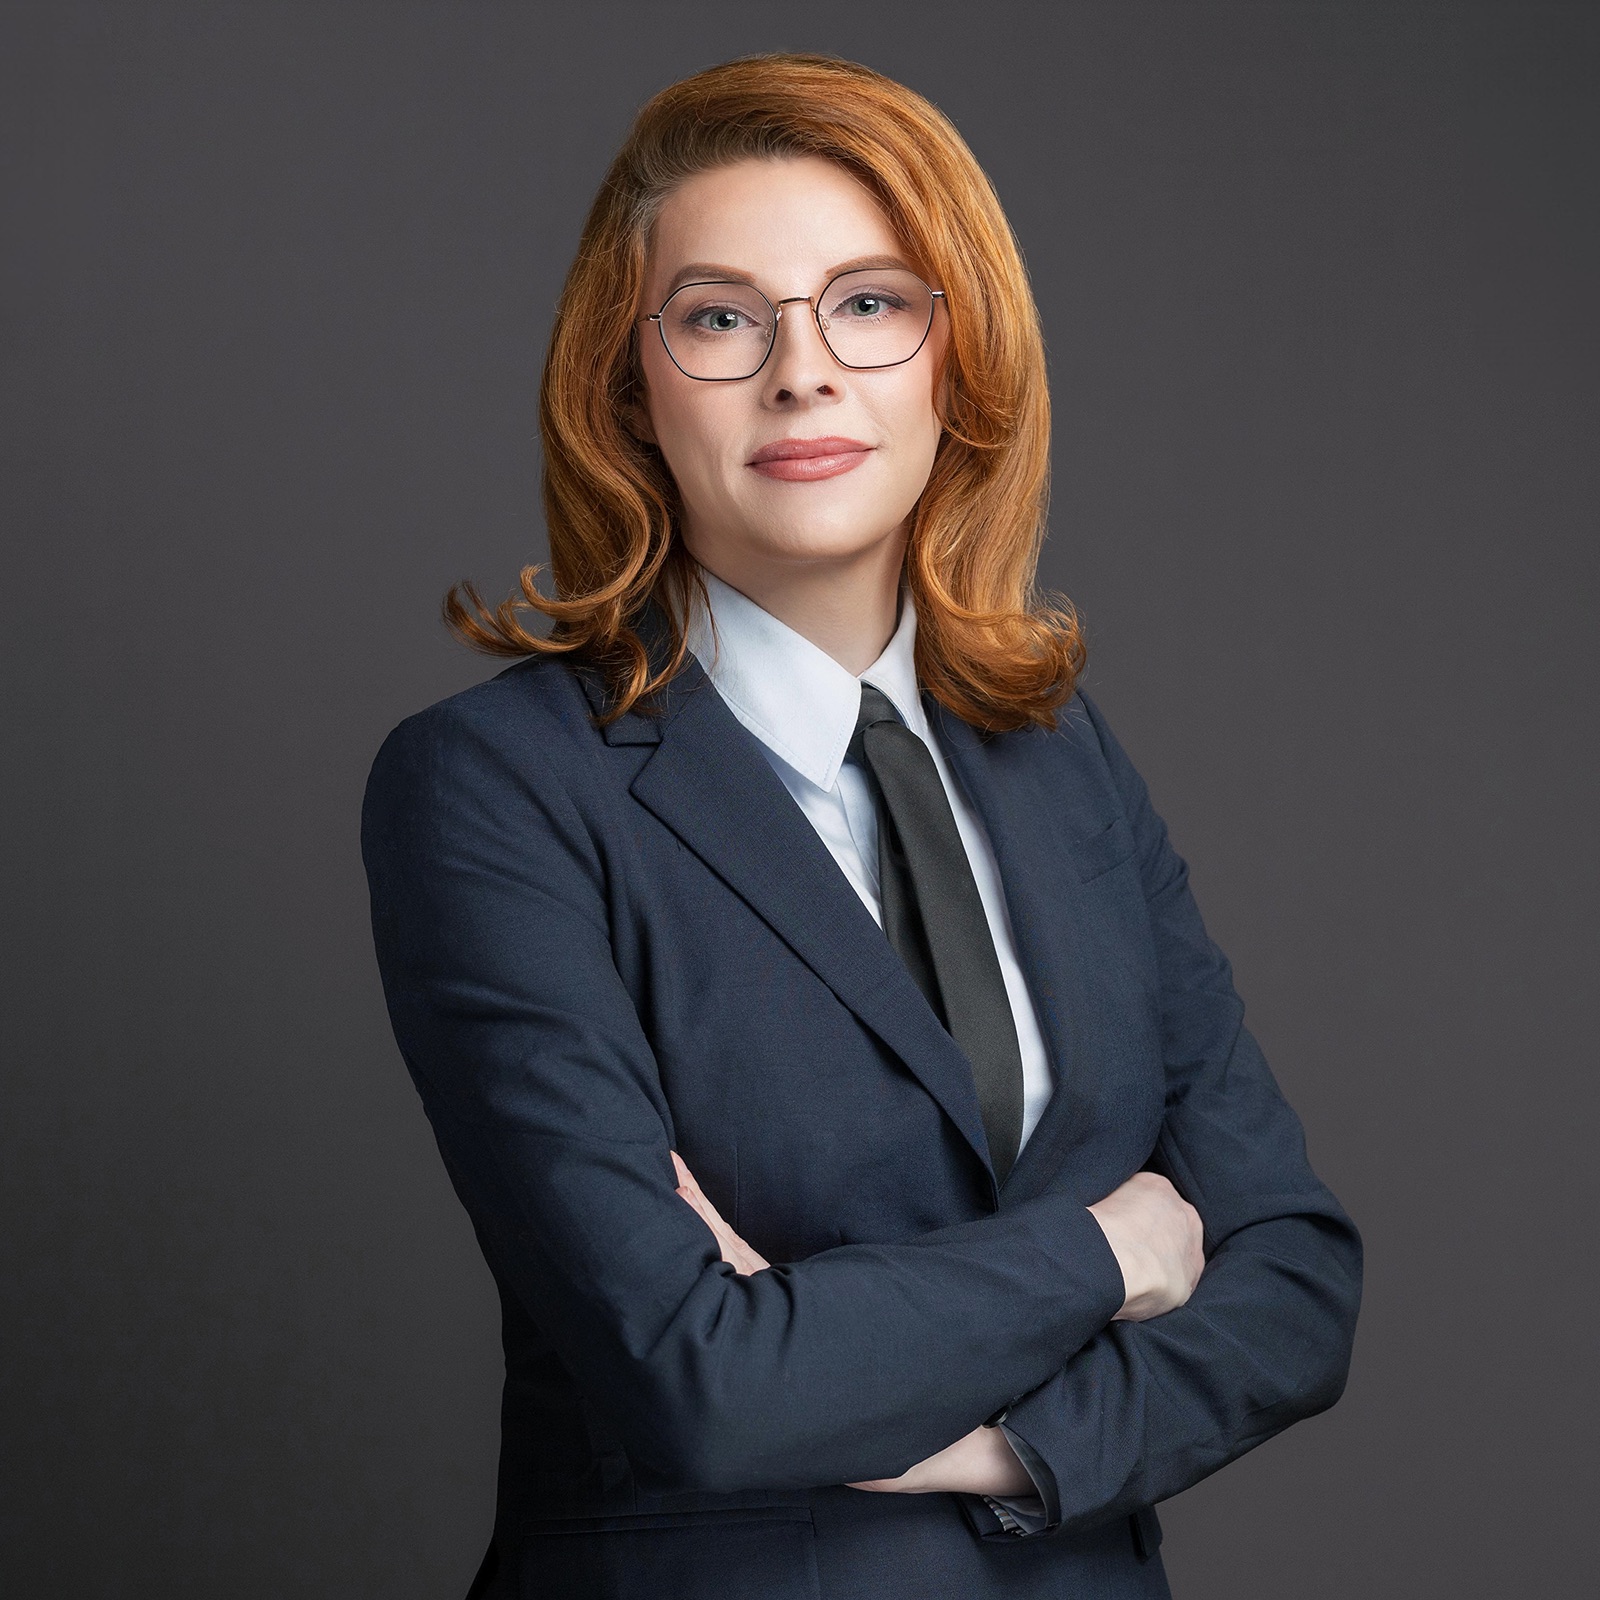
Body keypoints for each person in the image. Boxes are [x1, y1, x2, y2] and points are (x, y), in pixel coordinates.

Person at [360, 53, 1361, 1600]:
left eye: (872, 304)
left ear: (957, 361)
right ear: (628, 384)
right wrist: (1113, 1253)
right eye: (719, 318)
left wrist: (980, 1444)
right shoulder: (497, 789)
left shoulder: (1058, 757)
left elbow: (1295, 1285)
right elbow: (703, 1378)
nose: (803, 372)